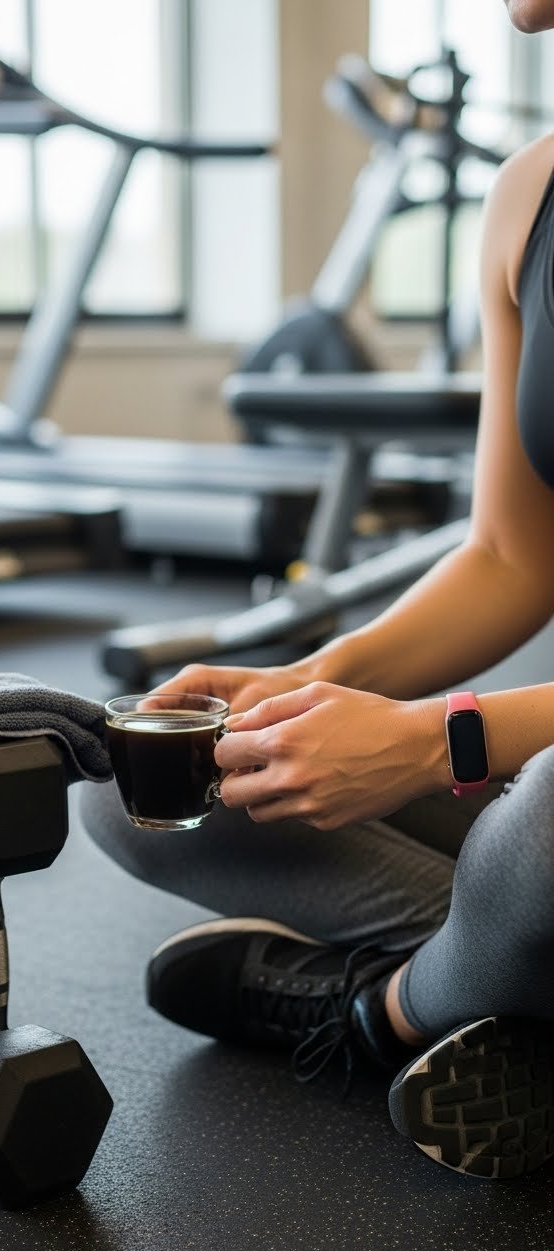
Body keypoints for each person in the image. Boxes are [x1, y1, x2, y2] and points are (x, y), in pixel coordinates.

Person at [81, 0, 554, 1181]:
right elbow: (511, 555)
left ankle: (377, 1014)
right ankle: (498, 988)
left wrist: (439, 743)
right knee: (157, 769)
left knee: (545, 831)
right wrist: (303, 688)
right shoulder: (530, 196)